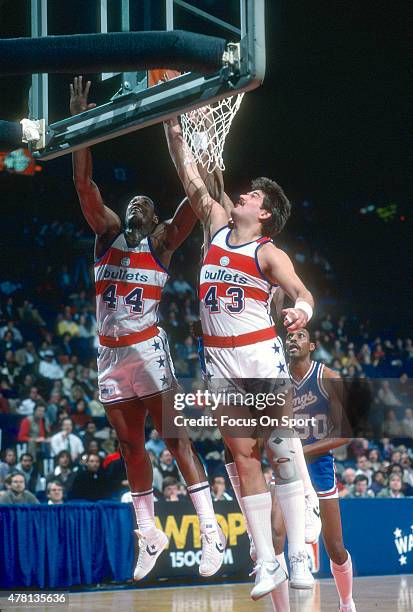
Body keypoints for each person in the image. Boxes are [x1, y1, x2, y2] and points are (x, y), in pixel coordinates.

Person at [70, 76, 225, 580]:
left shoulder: (161, 246)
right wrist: (82, 129)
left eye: (144, 204)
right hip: (111, 356)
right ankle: (150, 533)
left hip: (148, 350)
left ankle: (211, 532)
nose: (136, 204)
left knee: (175, 440)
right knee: (131, 448)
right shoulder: (107, 235)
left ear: (156, 219)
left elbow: (194, 200)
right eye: (131, 201)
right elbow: (84, 187)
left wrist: (185, 136)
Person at [165, 117, 317, 599]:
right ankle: (266, 562)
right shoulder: (214, 225)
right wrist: (173, 133)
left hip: (259, 360)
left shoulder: (269, 253)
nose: (243, 197)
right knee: (242, 457)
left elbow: (302, 292)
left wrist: (300, 310)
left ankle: (297, 556)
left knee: (282, 453)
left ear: (265, 213)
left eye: (251, 196)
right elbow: (191, 179)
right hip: (220, 366)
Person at [269, 328, 356, 612]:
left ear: (312, 345)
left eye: (300, 336)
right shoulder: (275, 380)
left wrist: (299, 451)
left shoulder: (328, 377)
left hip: (318, 466)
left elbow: (345, 435)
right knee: (275, 537)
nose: (292, 340)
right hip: (285, 466)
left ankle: (346, 603)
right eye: (289, 337)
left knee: (335, 547)